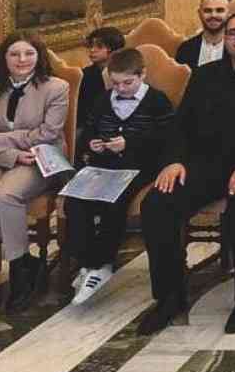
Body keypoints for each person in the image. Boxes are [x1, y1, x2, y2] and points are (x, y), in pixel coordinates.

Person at [137, 12, 235, 335]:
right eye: (233, 33)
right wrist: (174, 160)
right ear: (225, 39)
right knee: (157, 203)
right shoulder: (205, 75)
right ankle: (169, 298)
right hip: (208, 164)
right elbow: (182, 124)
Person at [69, 49, 174, 305]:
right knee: (74, 201)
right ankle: (87, 264)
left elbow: (167, 139)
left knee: (113, 202)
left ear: (142, 75)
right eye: (116, 83)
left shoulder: (158, 101)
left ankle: (101, 264)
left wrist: (129, 143)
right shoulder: (103, 99)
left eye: (128, 82)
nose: (122, 88)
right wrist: (91, 143)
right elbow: (89, 131)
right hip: (102, 165)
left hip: (139, 168)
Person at [0, 32, 69, 312]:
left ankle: (19, 269)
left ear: (39, 56)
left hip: (42, 159)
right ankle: (26, 262)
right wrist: (11, 152)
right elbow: (30, 134)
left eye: (28, 53)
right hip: (11, 157)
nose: (22, 60)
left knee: (5, 195)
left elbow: (48, 134)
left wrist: (3, 139)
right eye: (14, 54)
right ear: (4, 59)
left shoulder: (57, 87)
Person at [80, 27, 126, 132]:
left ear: (113, 48)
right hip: (93, 127)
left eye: (99, 46)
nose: (92, 50)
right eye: (91, 45)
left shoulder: (126, 73)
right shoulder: (84, 75)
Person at [175, 0, 230, 70]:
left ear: (229, 13)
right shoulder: (186, 49)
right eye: (208, 11)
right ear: (199, 13)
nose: (213, 15)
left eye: (219, 10)